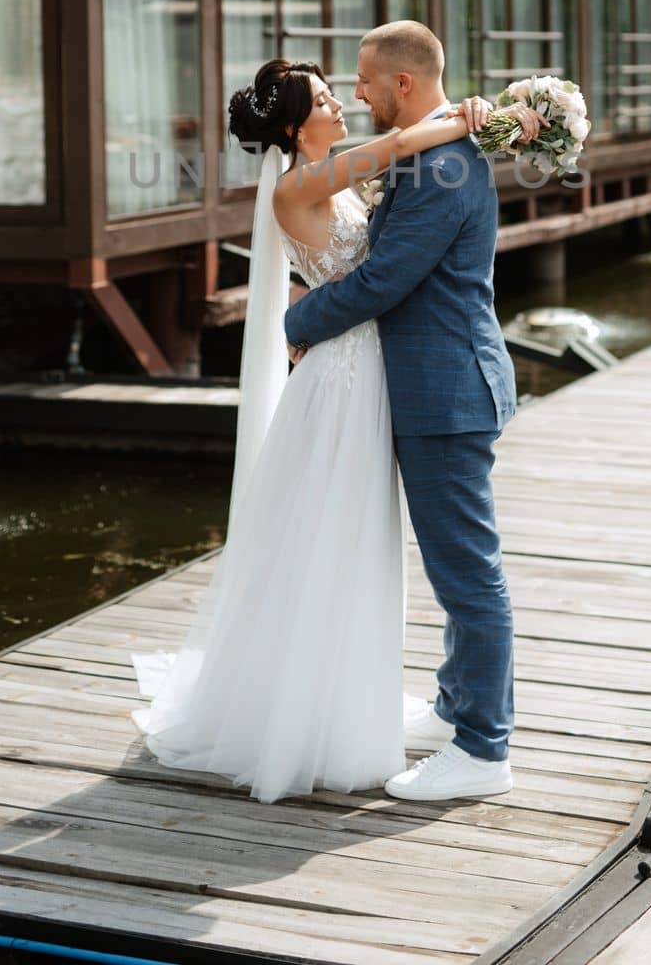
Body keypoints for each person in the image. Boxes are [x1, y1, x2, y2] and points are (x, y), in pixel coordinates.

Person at [127, 51, 534, 804]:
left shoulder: (348, 173)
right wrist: (474, 117)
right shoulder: (302, 183)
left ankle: (466, 729)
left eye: (347, 87)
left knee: (408, 555)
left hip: (384, 376)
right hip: (349, 382)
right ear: (291, 126)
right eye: (322, 98)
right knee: (331, 540)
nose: (343, 101)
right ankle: (391, 714)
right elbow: (401, 155)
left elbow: (385, 230)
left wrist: (480, 119)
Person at [285, 22, 523, 802]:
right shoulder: (429, 153)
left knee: (467, 572)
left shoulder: (442, 168)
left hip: (447, 390)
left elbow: (383, 279)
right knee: (456, 565)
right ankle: (458, 708)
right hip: (433, 383)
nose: (356, 92)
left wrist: (294, 325)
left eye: (363, 79)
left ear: (406, 86)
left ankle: (484, 749)